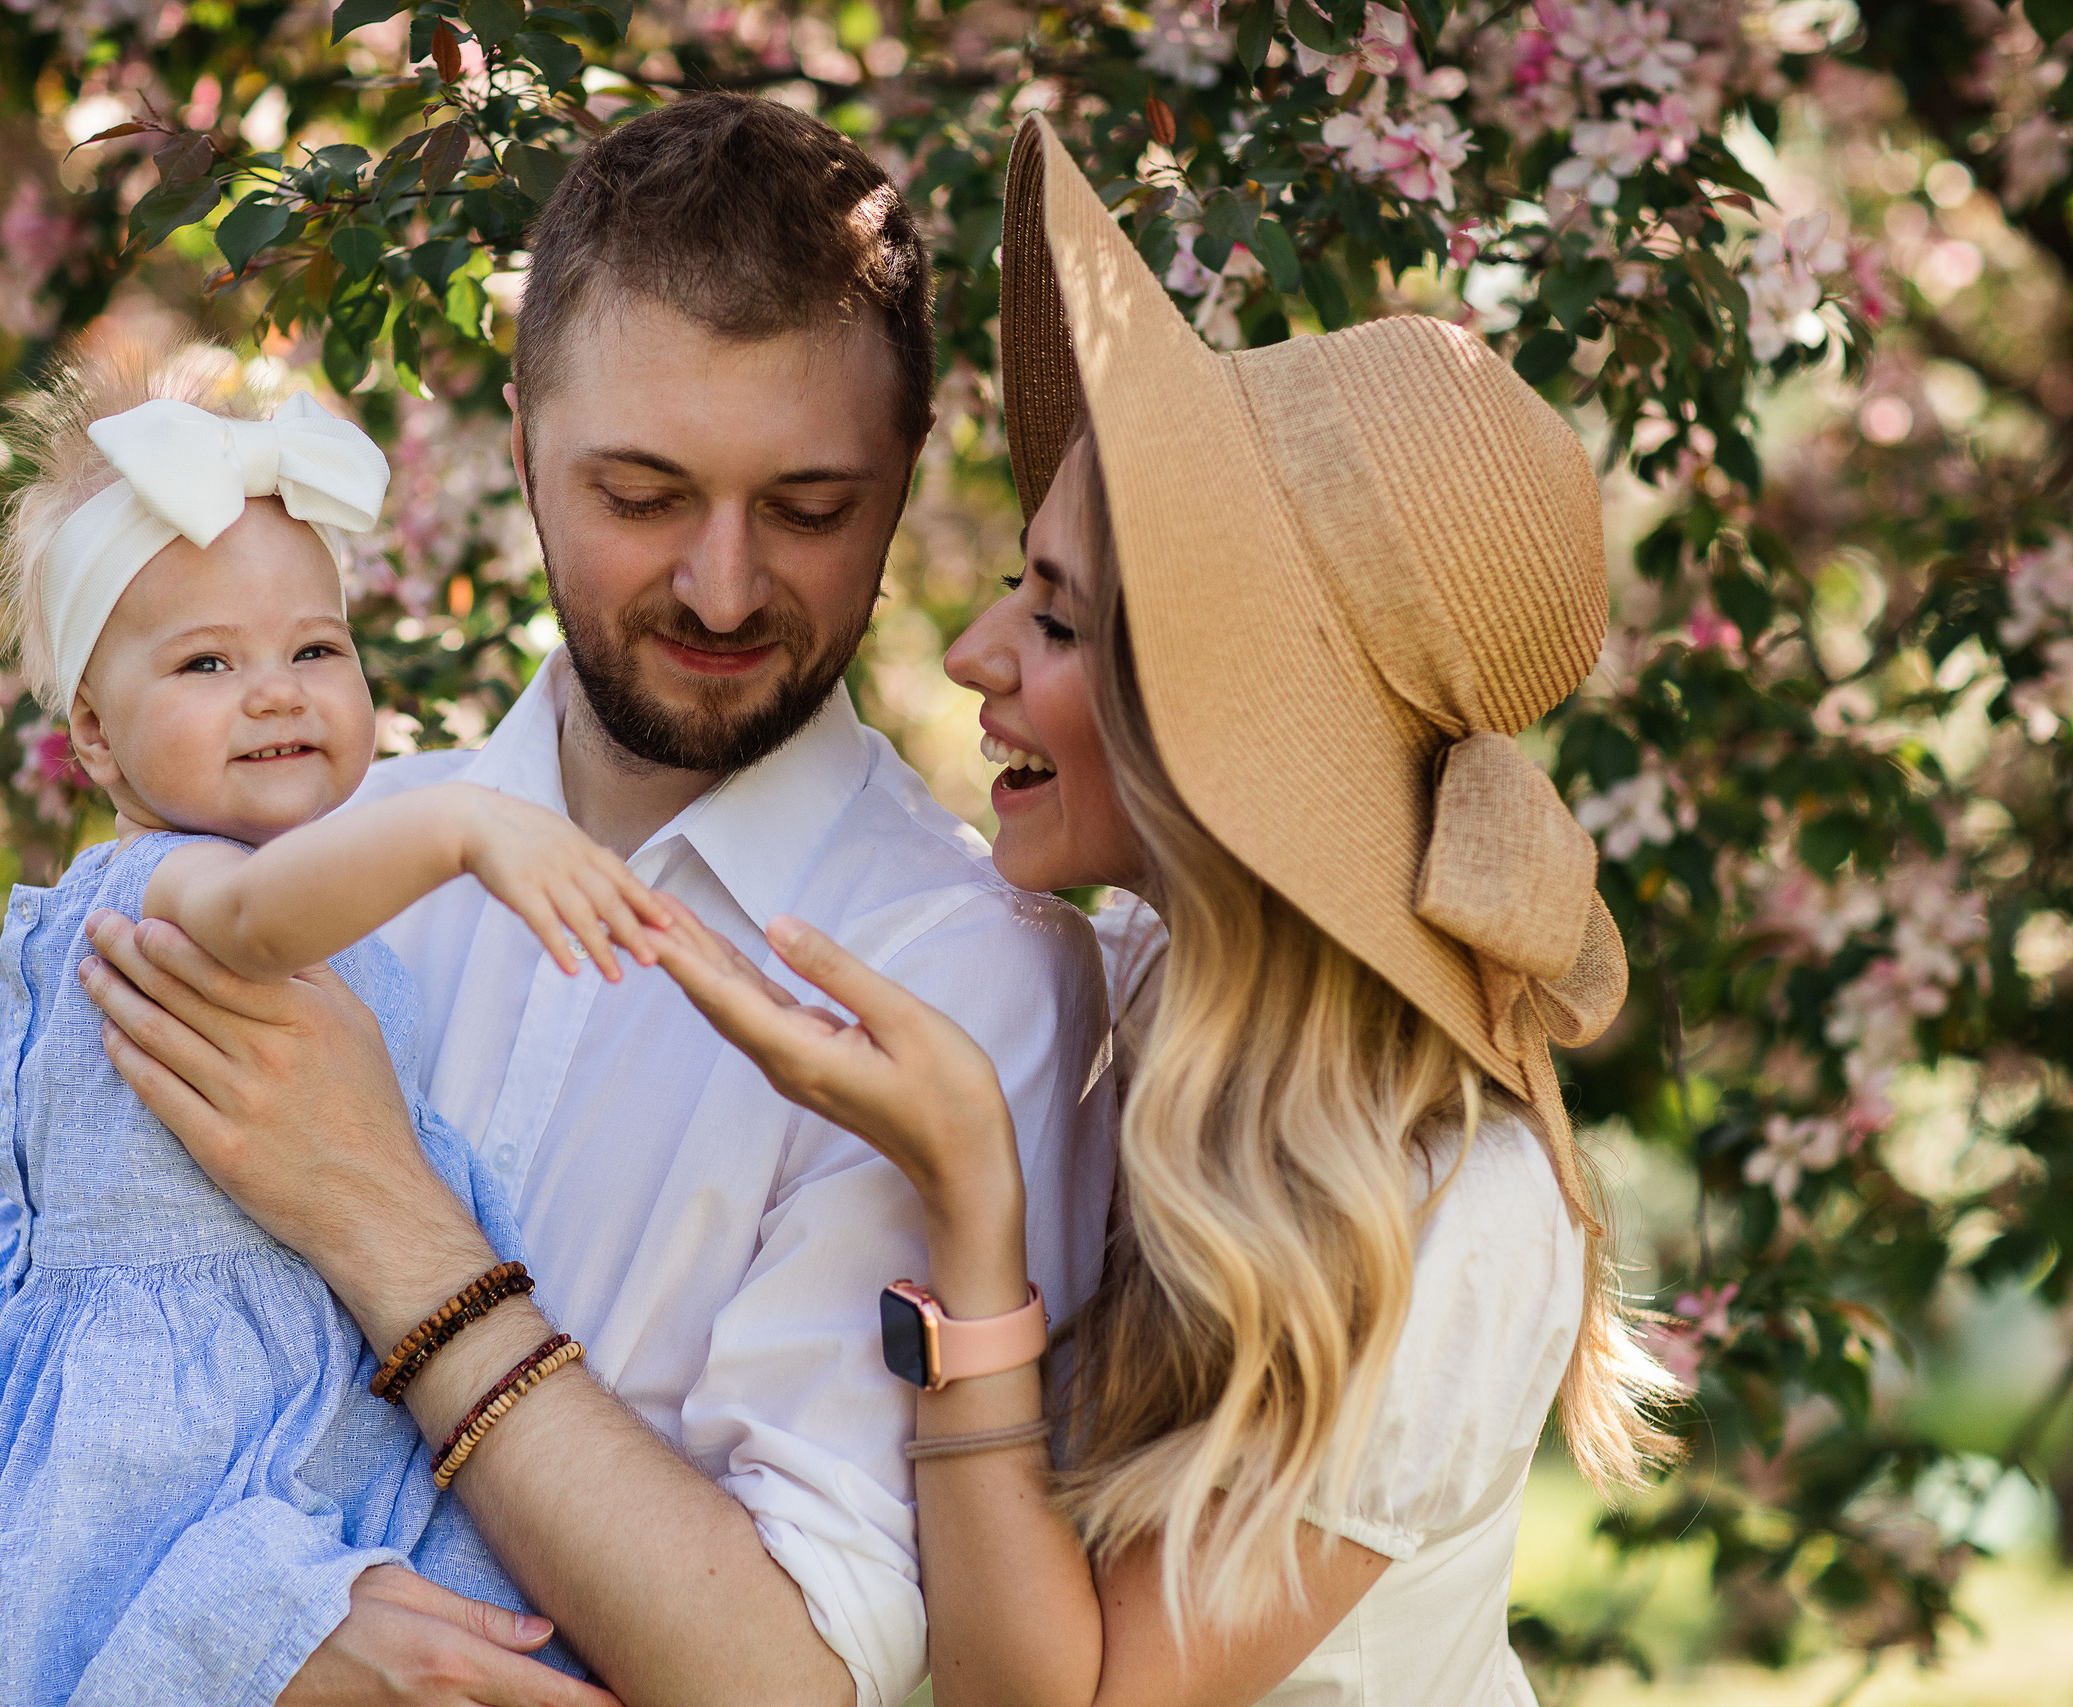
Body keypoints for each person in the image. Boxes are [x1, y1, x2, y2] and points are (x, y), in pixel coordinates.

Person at [75, 95, 1116, 1707]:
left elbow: (795, 1680)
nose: (718, 586)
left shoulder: (971, 980)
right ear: (521, 446)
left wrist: (385, 1224)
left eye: (808, 509)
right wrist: (250, 1619)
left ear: (905, 479)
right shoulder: (300, 860)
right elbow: (59, 1382)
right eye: (640, 496)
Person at [650, 116, 1684, 1706]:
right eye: (1020, 582)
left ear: (1223, 723)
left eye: (1057, 618)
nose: (977, 652)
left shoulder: (1458, 1218)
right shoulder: (1116, 994)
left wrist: (974, 1221)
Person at [0, 344, 666, 1707]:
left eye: (315, 648)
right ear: (98, 743)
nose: (277, 689)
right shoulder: (166, 882)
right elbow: (253, 926)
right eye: (209, 662)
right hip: (165, 1421)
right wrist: (463, 824)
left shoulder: (294, 872)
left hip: (292, 1369)